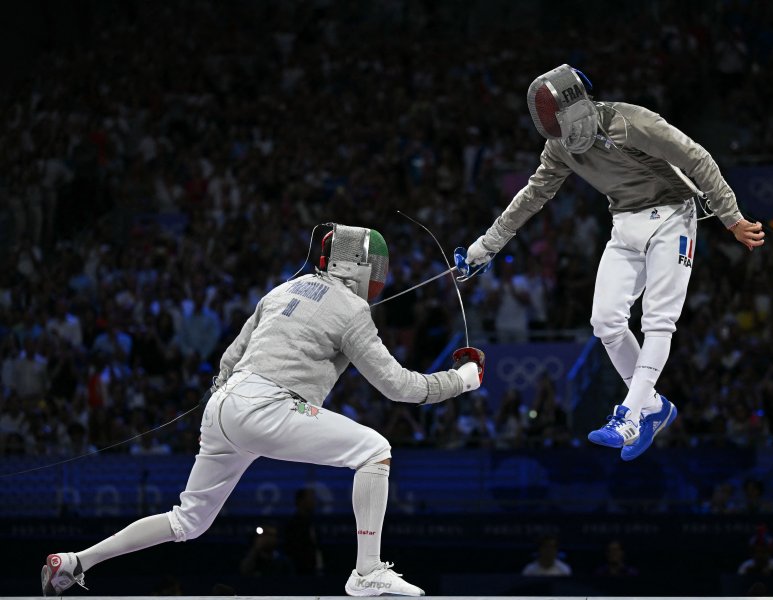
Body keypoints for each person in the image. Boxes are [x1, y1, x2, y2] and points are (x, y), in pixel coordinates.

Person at [40, 223, 484, 597]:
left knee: (187, 520)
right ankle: (367, 570)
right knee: (374, 450)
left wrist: (232, 400)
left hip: (223, 407)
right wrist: (462, 380)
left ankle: (76, 561)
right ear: (362, 266)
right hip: (268, 407)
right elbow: (399, 386)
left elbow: (229, 360)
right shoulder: (351, 310)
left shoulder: (282, 290)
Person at [464, 64, 764, 460]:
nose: (563, 137)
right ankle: (655, 408)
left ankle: (629, 415)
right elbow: (532, 196)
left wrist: (732, 218)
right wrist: (486, 246)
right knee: (604, 321)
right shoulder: (559, 147)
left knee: (657, 319)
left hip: (673, 216)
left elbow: (697, 158)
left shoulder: (633, 121)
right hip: (625, 224)